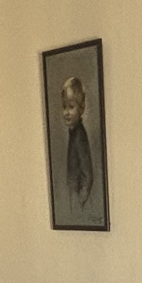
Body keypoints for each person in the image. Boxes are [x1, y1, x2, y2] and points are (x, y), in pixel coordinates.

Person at [60, 76, 95, 208]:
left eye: (71, 107)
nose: (66, 112)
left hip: (79, 203)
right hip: (73, 197)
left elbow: (88, 176)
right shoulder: (73, 133)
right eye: (64, 107)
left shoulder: (80, 136)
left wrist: (79, 202)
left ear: (81, 108)